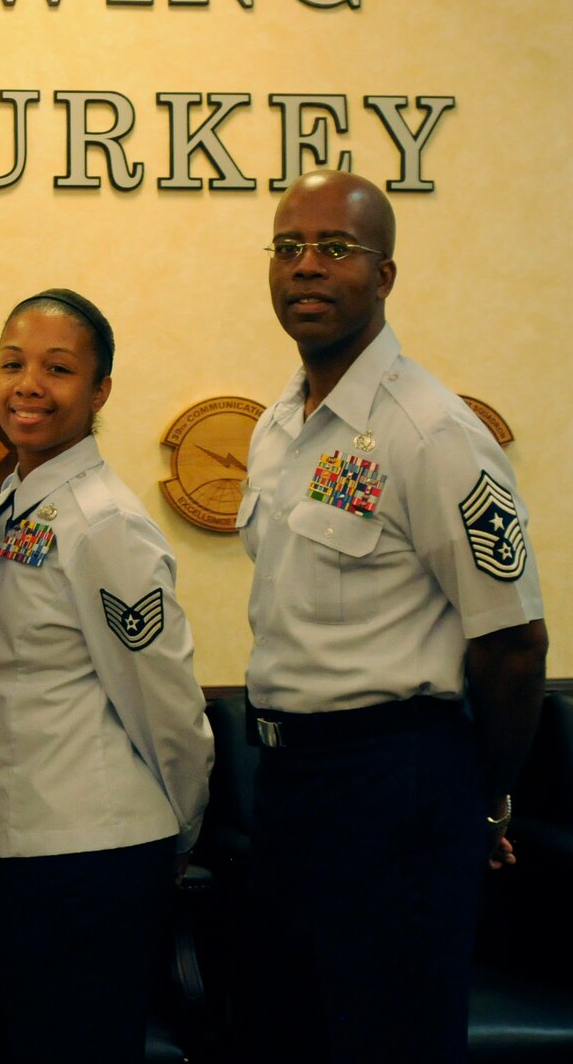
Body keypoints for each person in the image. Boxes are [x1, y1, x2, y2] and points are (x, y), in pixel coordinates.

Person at [239, 170, 549, 1064]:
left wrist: (479, 795)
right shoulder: (276, 428)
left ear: (384, 276)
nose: (306, 266)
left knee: (390, 1038)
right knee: (289, 1032)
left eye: (336, 248)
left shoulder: (434, 432)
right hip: (291, 781)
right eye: (288, 246)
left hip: (400, 784)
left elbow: (515, 644)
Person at [0, 289, 213, 1063]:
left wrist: (185, 826)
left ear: (100, 390)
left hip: (92, 857)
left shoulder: (102, 521)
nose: (27, 383)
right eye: (13, 363)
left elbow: (165, 700)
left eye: (58, 367)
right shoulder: (14, 503)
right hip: (26, 844)